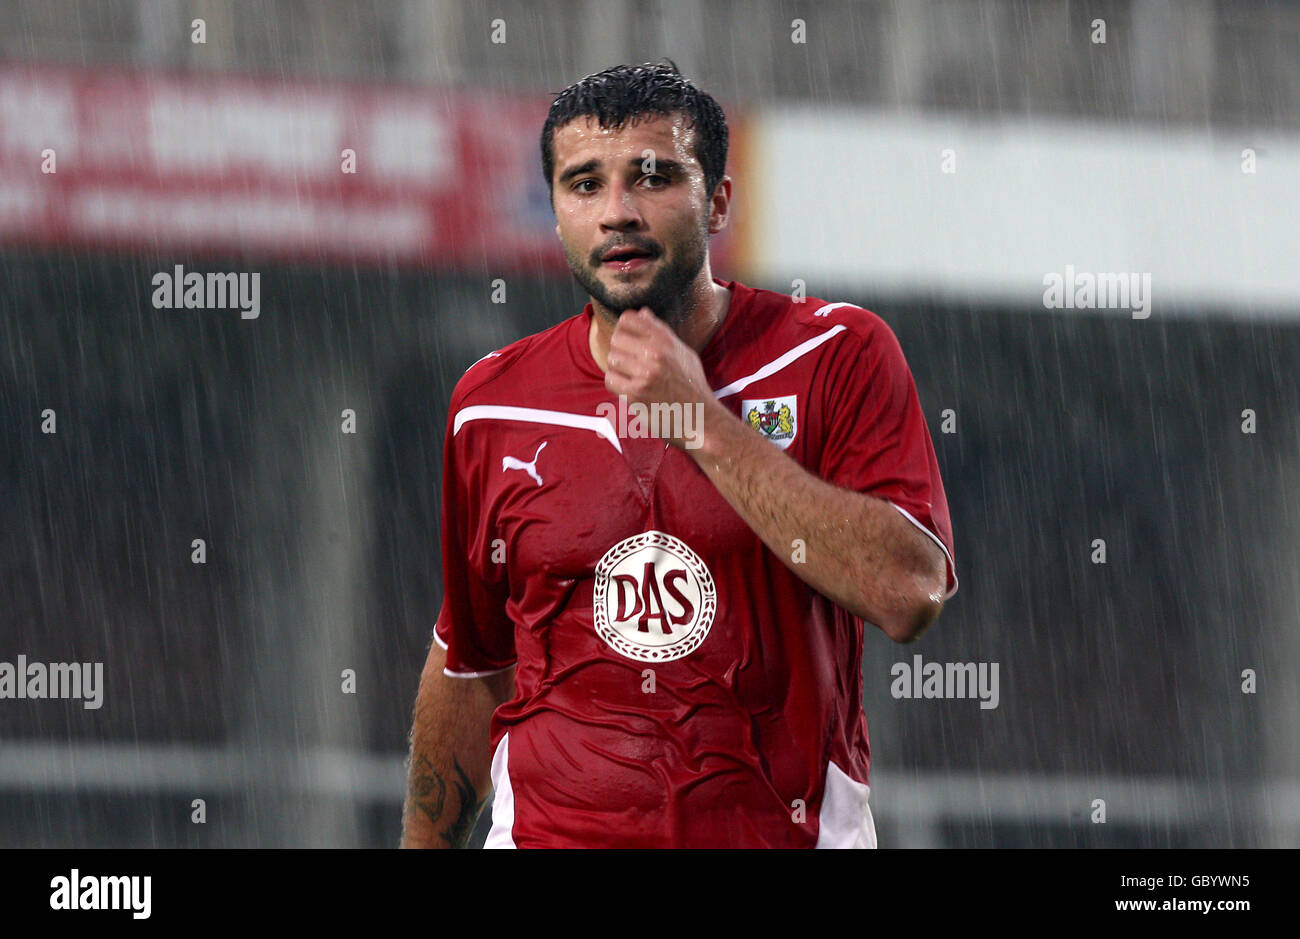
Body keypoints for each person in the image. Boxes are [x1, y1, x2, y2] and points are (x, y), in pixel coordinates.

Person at [400, 60, 957, 848]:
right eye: (585, 184)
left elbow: (908, 590)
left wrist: (703, 422)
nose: (617, 212)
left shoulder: (838, 353)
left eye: (653, 178)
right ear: (555, 212)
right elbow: (472, 665)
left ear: (718, 200)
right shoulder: (489, 404)